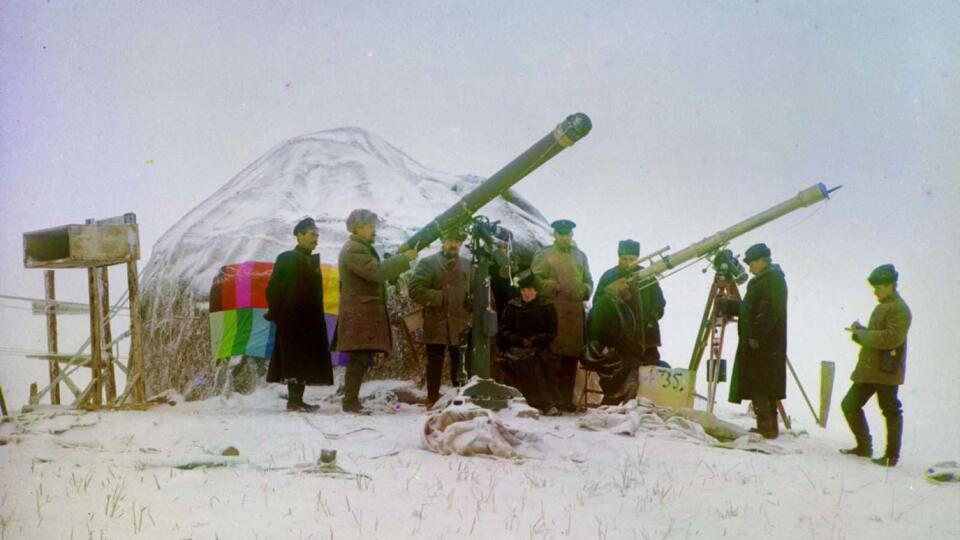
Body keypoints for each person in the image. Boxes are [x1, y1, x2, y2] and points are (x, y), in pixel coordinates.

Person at [332, 209, 417, 413]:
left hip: (363, 314)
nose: (373, 230)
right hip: (360, 314)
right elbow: (376, 272)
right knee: (358, 358)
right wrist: (403, 259)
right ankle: (350, 402)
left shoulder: (360, 247)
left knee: (359, 359)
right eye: (370, 226)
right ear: (358, 228)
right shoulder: (354, 249)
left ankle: (351, 400)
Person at [840, 264, 912, 467]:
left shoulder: (900, 309)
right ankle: (864, 447)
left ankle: (891, 456)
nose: (875, 291)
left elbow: (891, 338)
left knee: (890, 410)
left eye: (879, 287)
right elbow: (878, 335)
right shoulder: (885, 305)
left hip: (885, 371)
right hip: (871, 370)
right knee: (849, 405)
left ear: (890, 285)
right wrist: (861, 332)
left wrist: (862, 334)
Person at [264, 217, 334, 412]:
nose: (316, 239)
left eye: (317, 236)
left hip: (310, 322)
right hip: (292, 321)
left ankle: (297, 400)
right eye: (312, 235)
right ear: (299, 236)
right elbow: (274, 289)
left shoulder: (311, 261)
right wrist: (279, 315)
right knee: (294, 360)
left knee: (304, 360)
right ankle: (293, 402)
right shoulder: (286, 258)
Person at [724, 243, 787, 439]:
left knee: (762, 386)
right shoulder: (762, 281)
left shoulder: (774, 280)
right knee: (761, 385)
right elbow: (750, 309)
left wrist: (756, 336)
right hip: (759, 343)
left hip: (764, 345)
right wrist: (731, 306)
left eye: (751, 263)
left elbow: (770, 312)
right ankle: (766, 427)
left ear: (762, 261)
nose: (749, 268)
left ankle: (767, 429)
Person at [531, 219, 593, 412]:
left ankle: (566, 400)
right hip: (554, 311)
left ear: (571, 235)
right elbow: (535, 279)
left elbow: (589, 281)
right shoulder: (545, 255)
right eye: (561, 234)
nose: (565, 237)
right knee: (553, 358)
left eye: (568, 234)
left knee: (571, 359)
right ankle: (552, 401)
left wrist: (584, 289)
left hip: (574, 313)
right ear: (555, 235)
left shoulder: (580, 256)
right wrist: (554, 287)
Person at [408, 227, 472, 407]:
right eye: (450, 240)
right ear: (442, 241)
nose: (454, 244)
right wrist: (441, 297)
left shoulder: (468, 265)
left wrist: (471, 302)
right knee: (435, 362)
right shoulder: (427, 263)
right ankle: (432, 399)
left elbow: (476, 290)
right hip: (436, 322)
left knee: (460, 363)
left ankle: (459, 400)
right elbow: (415, 290)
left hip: (460, 322)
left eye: (458, 242)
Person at [593, 239, 667, 367]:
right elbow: (598, 303)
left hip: (647, 337)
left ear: (638, 258)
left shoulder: (647, 275)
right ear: (619, 257)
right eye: (624, 259)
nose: (628, 263)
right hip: (619, 337)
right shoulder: (609, 276)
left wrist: (653, 317)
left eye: (632, 259)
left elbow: (659, 302)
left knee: (650, 370)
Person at [497, 272, 560, 415]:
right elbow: (504, 330)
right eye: (523, 290)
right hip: (516, 347)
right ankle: (523, 402)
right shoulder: (512, 306)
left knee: (538, 361)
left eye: (530, 289)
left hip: (539, 346)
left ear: (536, 290)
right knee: (522, 361)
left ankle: (545, 403)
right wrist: (519, 340)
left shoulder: (547, 306)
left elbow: (551, 332)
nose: (526, 293)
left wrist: (534, 341)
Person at [585, 277, 646, 405]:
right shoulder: (603, 305)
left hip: (616, 349)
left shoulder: (620, 305)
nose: (626, 286)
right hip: (599, 352)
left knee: (644, 364)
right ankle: (614, 399)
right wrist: (632, 348)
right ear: (610, 285)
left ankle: (620, 400)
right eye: (622, 283)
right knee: (631, 364)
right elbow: (608, 336)